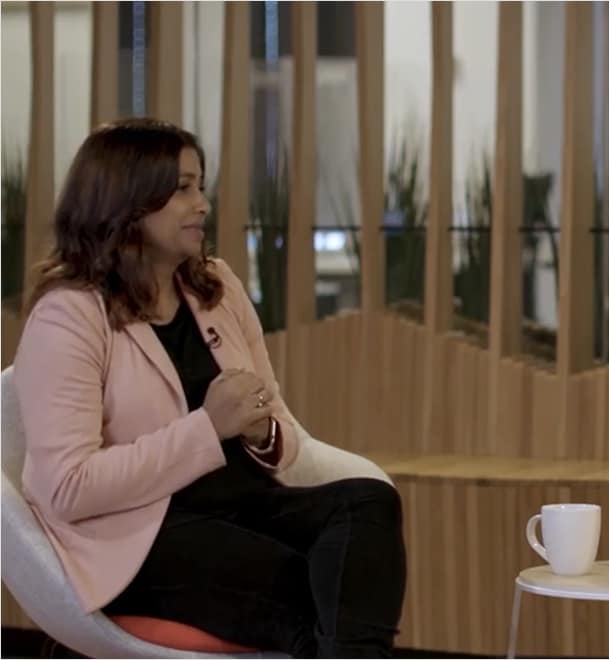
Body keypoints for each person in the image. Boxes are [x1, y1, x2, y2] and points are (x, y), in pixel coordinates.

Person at [13, 118, 407, 658]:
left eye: (200, 185)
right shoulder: (69, 315)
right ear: (127, 200)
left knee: (368, 503)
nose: (202, 203)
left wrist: (260, 427)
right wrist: (207, 427)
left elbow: (281, 432)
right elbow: (70, 488)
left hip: (244, 503)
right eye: (182, 189)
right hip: (142, 535)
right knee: (323, 594)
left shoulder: (215, 286)